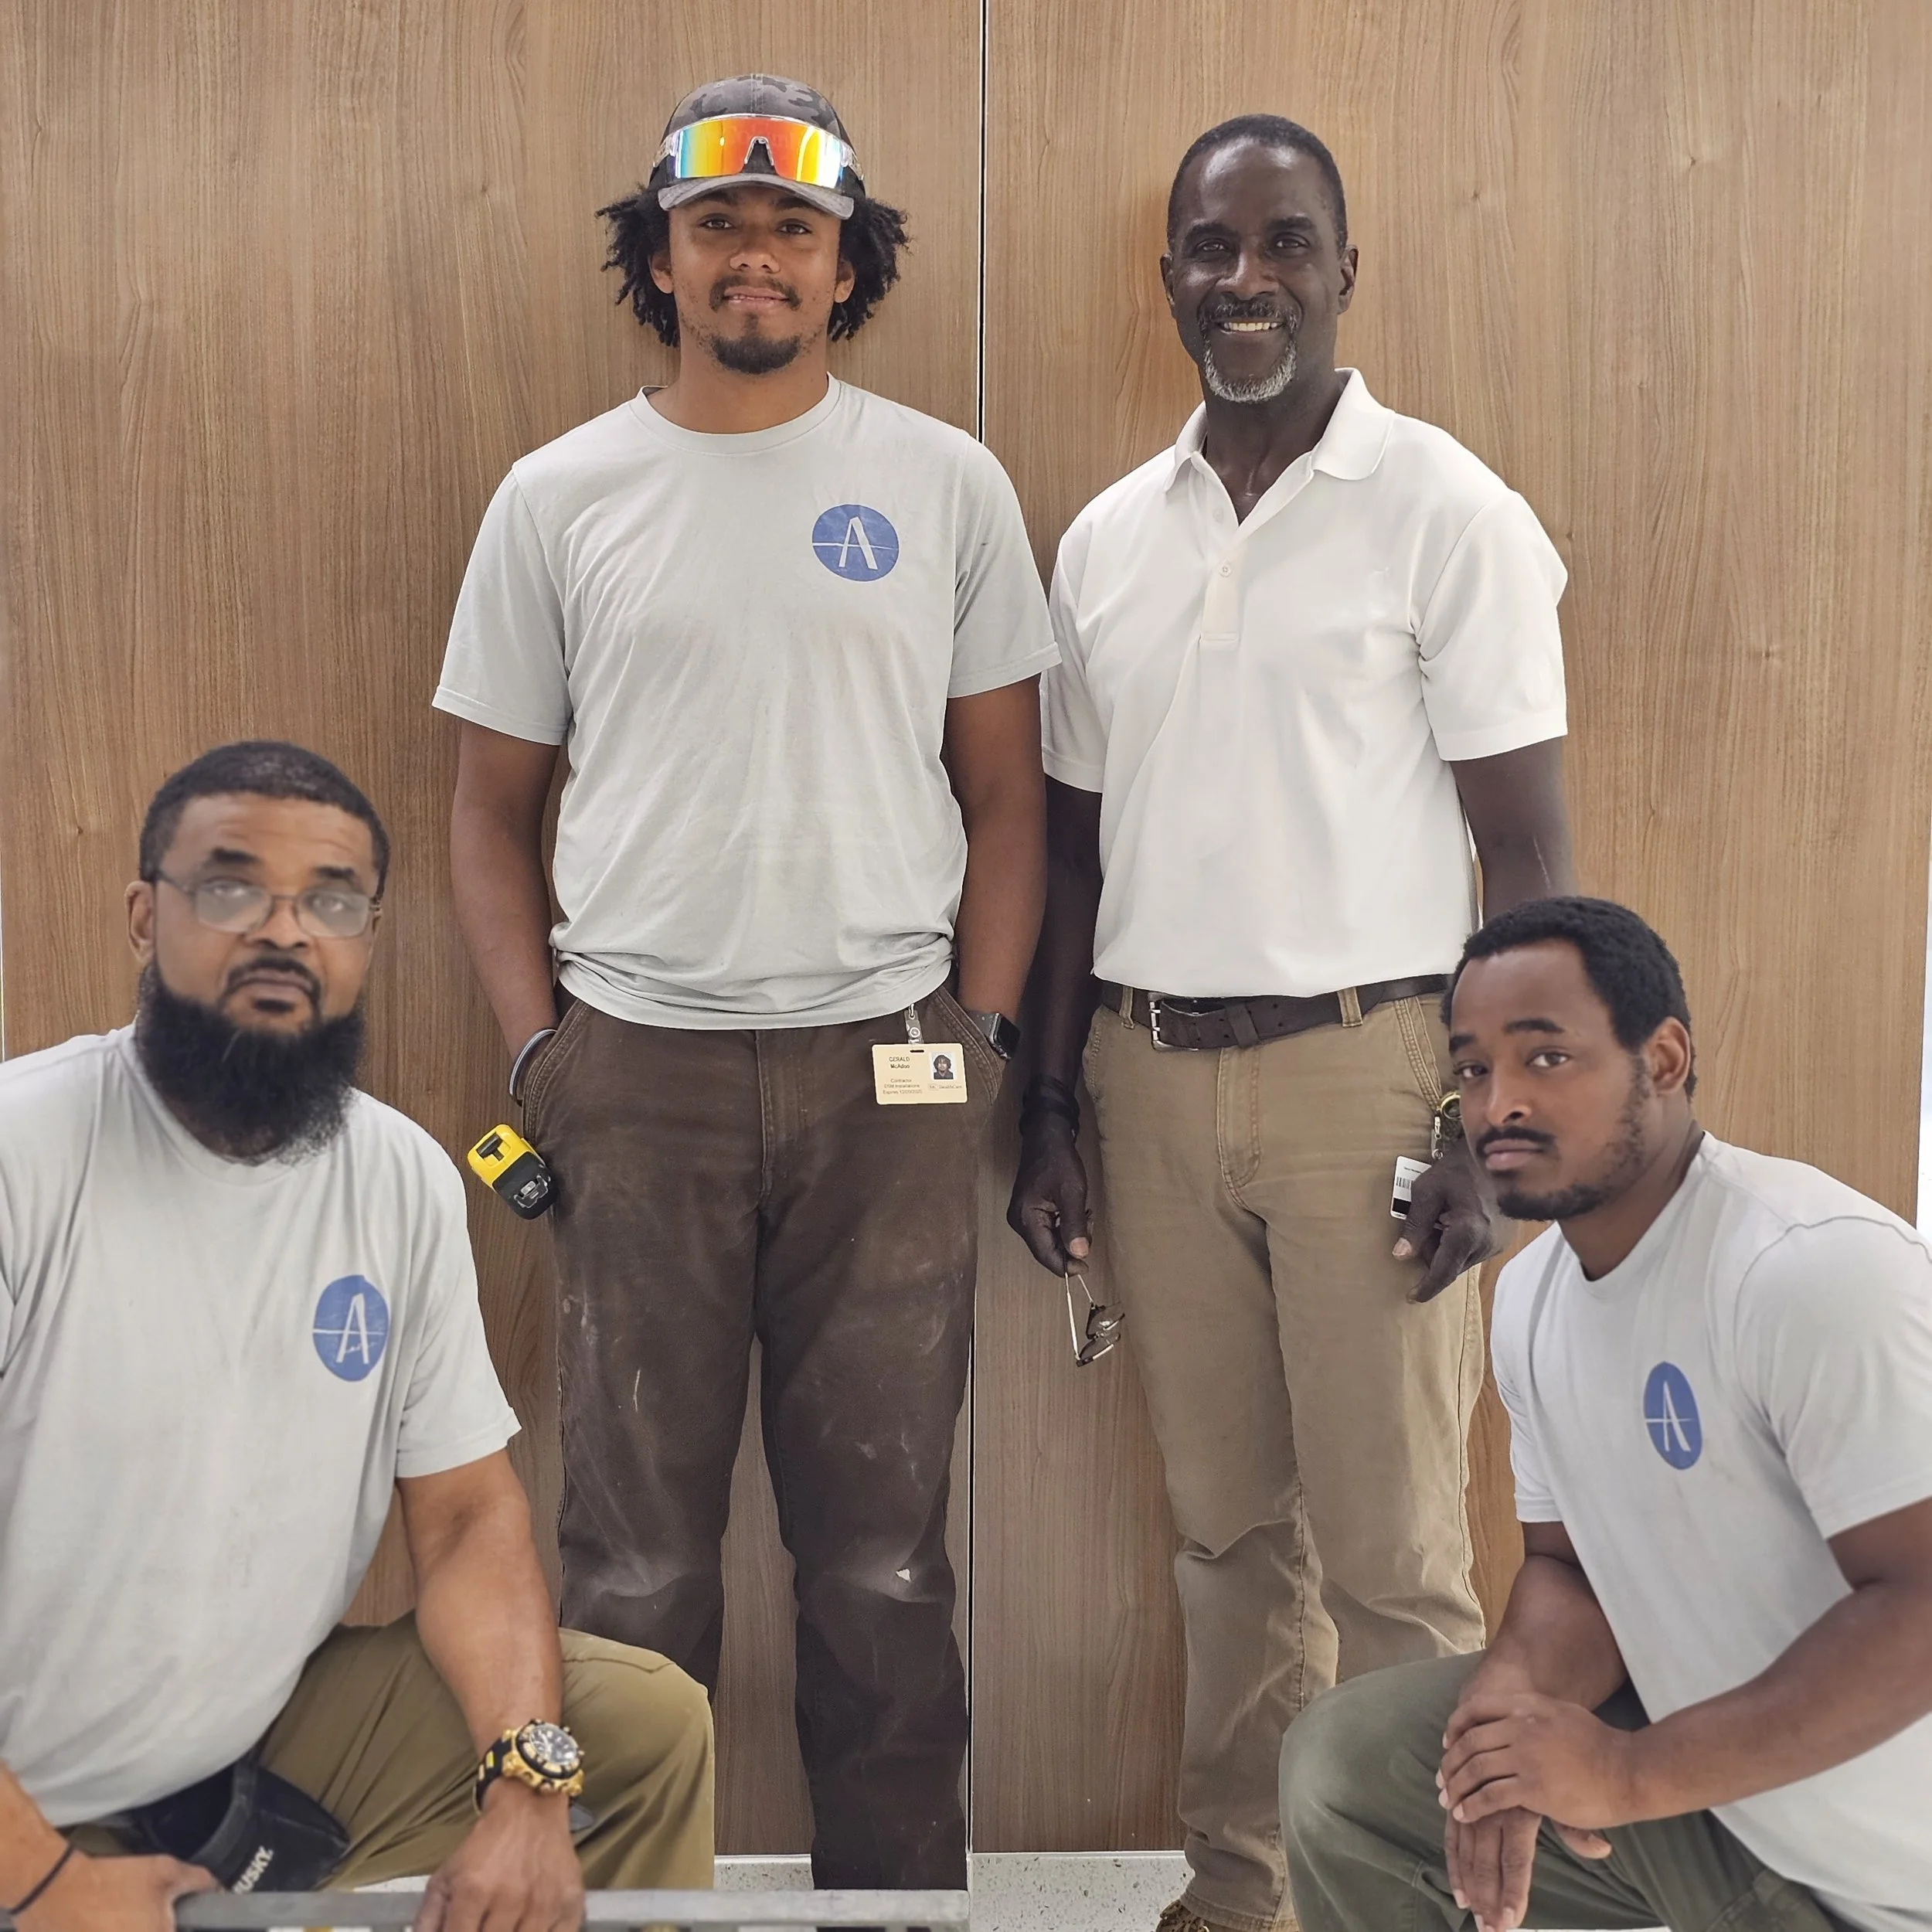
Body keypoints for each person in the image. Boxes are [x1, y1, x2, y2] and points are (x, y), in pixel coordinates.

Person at [435, 75, 1054, 1889]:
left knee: (884, 1557)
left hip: (895, 1073)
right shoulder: (560, 497)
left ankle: (895, 1899)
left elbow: (1006, 797)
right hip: (637, 1075)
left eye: (793, 224)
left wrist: (984, 1034)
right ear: (663, 256)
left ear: (845, 260)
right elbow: (487, 813)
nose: (757, 254)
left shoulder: (942, 482)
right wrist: (541, 1056)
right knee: (631, 1563)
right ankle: (623, 1898)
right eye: (717, 223)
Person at [1007, 114, 1576, 1932]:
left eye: (1281, 244)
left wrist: (1498, 1126)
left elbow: (1527, 849)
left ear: (1344, 267)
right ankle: (1237, 1886)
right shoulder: (1106, 540)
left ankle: (1402, 1896)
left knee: (1399, 1555)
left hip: (1373, 1075)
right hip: (1145, 1077)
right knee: (1224, 1538)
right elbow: (1072, 861)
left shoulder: (1446, 513)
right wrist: (1046, 1107)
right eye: (1207, 247)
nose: (1241, 281)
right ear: (1165, 273)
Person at [0, 742, 714, 1932]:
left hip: (238, 1742)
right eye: (230, 888)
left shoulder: (400, 1180)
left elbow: (468, 1519)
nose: (286, 931)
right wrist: (41, 1880)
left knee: (636, 1730)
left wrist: (529, 1785)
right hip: (25, 1789)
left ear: (366, 941)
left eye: (332, 899)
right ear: (143, 917)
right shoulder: (24, 1154)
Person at [1279, 896, 1932, 1932]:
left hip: (1878, 1880)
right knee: (1356, 1764)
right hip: (1723, 1814)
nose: (1500, 1105)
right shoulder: (1535, 1301)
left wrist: (1628, 1774)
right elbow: (1569, 1568)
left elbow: (1922, 1609)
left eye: (1546, 1060)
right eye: (1474, 1068)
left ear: (1664, 1059)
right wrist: (1512, 1704)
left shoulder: (1809, 1271)